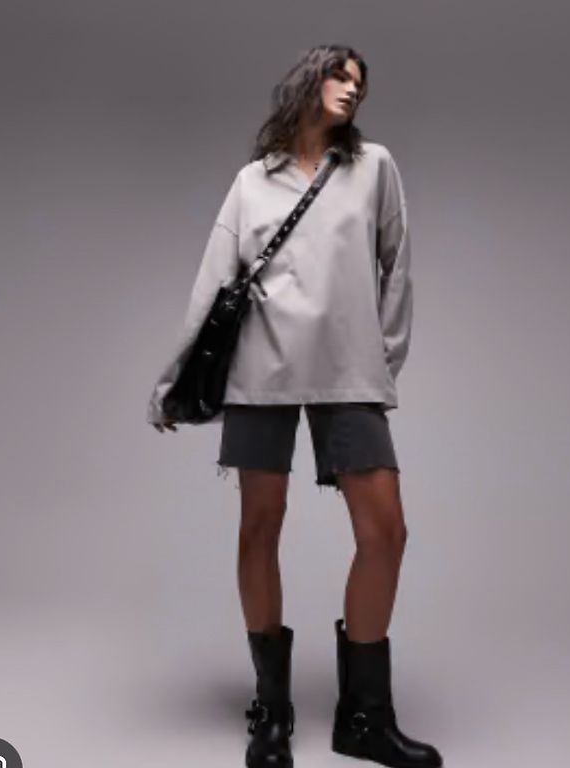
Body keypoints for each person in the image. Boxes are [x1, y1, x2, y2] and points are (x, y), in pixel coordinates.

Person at [147, 44, 443, 768]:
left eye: (359, 82)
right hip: (261, 369)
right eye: (339, 75)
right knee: (259, 527)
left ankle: (364, 719)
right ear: (306, 82)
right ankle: (271, 713)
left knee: (386, 531)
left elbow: (396, 266)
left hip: (348, 370)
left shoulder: (374, 167)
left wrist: (382, 360)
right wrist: (172, 381)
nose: (351, 89)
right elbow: (213, 281)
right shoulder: (252, 182)